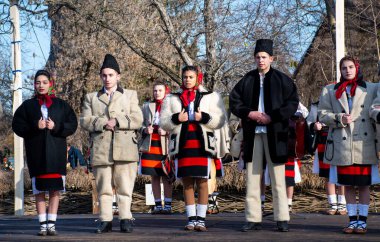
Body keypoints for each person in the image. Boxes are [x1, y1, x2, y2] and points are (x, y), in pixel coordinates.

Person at [229, 39, 299, 232]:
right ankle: (252, 218)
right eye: (258, 57)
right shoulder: (247, 79)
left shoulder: (282, 79)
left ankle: (282, 218)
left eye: (264, 57)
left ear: (272, 58)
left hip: (276, 133)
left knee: (278, 177)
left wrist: (273, 117)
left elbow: (292, 103)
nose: (261, 60)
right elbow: (234, 102)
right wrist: (249, 113)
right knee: (253, 177)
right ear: (254, 58)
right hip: (253, 134)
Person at [80, 54, 143, 233]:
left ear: (118, 76)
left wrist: (118, 121)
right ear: (100, 76)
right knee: (104, 188)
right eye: (104, 75)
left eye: (111, 75)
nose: (107, 79)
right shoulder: (91, 97)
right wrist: (102, 123)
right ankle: (105, 220)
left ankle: (125, 219)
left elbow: (138, 119)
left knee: (125, 186)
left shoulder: (130, 95)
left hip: (125, 148)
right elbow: (85, 120)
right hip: (101, 148)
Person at [160, 66, 226, 231]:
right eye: (185, 77)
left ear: (198, 78)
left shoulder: (210, 96)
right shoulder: (171, 98)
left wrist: (203, 117)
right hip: (182, 145)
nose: (187, 80)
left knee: (203, 181)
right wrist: (177, 118)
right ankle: (191, 219)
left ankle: (201, 219)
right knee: (187, 182)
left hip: (202, 144)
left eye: (191, 77)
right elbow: (163, 122)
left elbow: (221, 119)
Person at [319, 56, 380, 234]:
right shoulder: (330, 90)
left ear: (357, 68)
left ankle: (363, 222)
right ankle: (352, 221)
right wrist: (339, 118)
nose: (348, 70)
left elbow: (376, 108)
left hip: (364, 143)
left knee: (363, 185)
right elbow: (322, 114)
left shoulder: (372, 88)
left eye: (351, 67)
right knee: (346, 185)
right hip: (342, 143)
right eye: (344, 67)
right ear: (340, 70)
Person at [12, 69, 77, 236]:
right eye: (38, 82)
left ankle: (52, 225)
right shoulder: (27, 106)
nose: (41, 85)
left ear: (51, 84)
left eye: (44, 82)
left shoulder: (62, 105)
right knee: (39, 191)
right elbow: (17, 126)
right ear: (34, 85)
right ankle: (42, 225)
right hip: (37, 154)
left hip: (56, 154)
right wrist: (35, 126)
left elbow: (72, 124)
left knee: (55, 190)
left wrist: (56, 127)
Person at [139, 80, 173, 214]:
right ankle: (158, 205)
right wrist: (145, 130)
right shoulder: (147, 106)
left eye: (160, 90)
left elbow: (178, 125)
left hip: (165, 144)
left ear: (166, 91)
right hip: (151, 144)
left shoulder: (171, 106)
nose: (157, 93)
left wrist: (167, 131)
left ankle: (168, 205)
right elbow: (139, 124)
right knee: (154, 176)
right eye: (155, 90)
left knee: (166, 175)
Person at [307, 102, 346, 215]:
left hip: (340, 140)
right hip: (323, 141)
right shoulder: (316, 105)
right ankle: (333, 205)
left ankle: (342, 205)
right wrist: (313, 125)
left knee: (341, 172)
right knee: (327, 174)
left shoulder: (342, 102)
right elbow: (309, 121)